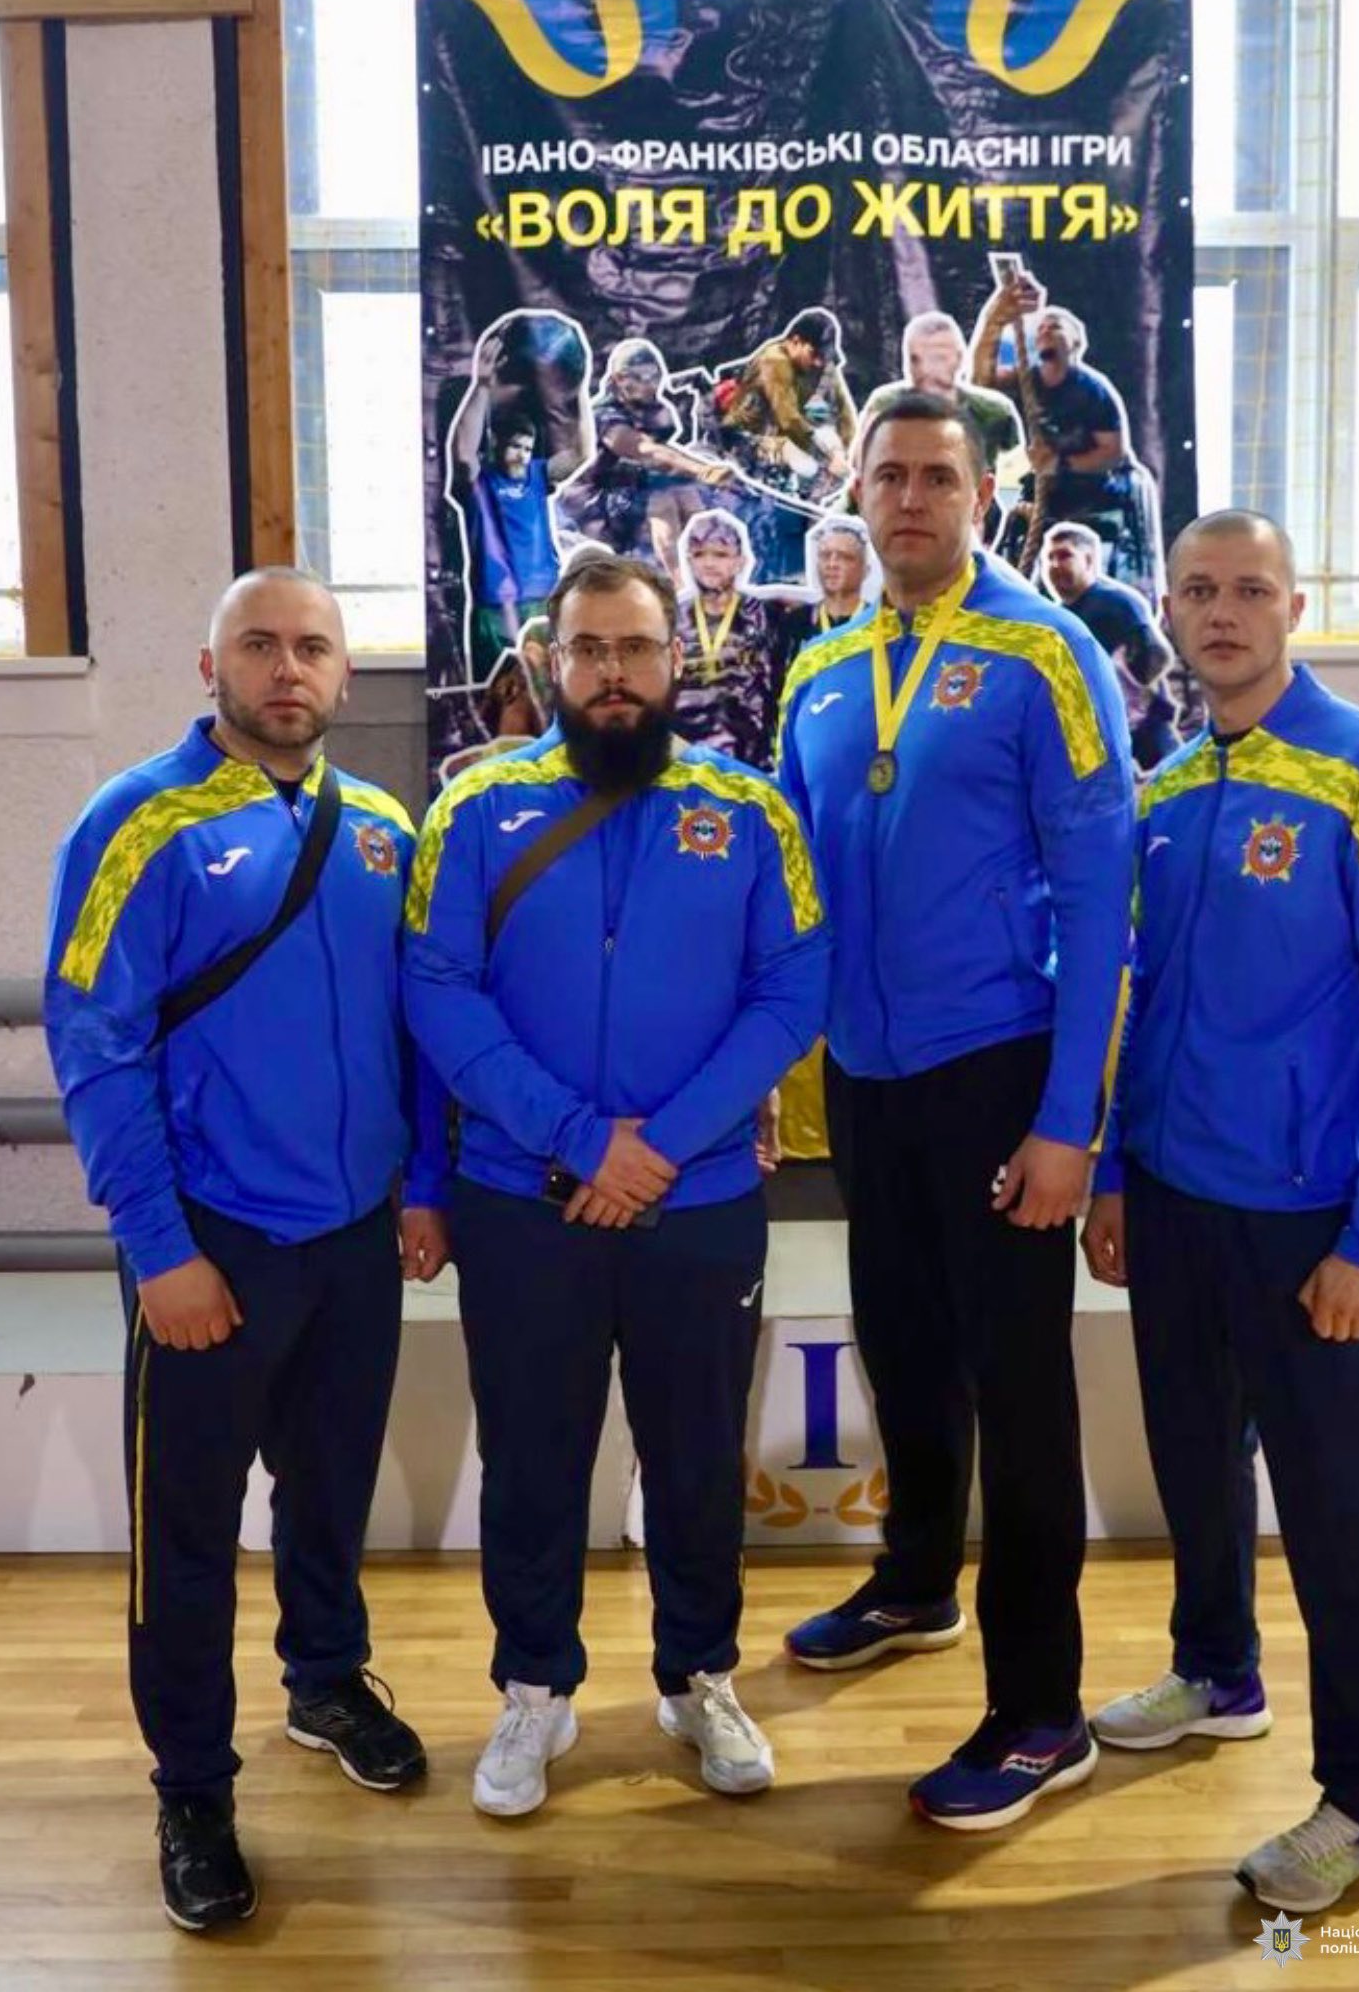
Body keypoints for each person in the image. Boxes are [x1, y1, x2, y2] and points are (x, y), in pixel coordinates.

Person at [44, 568, 448, 1934]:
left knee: (327, 1492)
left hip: (353, 1239)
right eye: (260, 645)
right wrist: (159, 1249)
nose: (288, 668)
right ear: (209, 666)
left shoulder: (383, 828)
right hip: (208, 1244)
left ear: (344, 674)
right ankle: (193, 1787)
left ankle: (325, 1679)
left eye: (312, 647)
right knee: (188, 1533)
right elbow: (95, 1045)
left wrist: (422, 1187)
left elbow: (415, 1028)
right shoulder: (136, 822)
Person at [1082, 510, 1359, 1913]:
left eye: (1251, 588)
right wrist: (1116, 1170)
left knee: (1343, 1518)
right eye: (1199, 589)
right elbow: (1141, 999)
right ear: (1170, 610)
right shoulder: (1171, 786)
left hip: (1314, 1225)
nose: (1223, 611)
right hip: (1174, 1203)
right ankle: (1217, 1671)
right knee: (1196, 1465)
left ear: (1295, 607)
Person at [403, 553, 829, 1820]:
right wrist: (582, 1139)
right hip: (522, 1197)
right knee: (532, 1456)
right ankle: (535, 1684)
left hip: (697, 1204)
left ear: (674, 659)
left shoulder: (750, 810)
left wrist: (661, 1145)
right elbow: (437, 988)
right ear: (550, 660)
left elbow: (792, 990)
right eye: (588, 649)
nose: (613, 673)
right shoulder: (474, 810)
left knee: (696, 1455)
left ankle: (699, 1674)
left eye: (636, 647)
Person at [776, 392, 1135, 1829]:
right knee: (903, 1345)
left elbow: (1103, 897)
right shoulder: (821, 668)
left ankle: (1043, 1710)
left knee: (1018, 1384)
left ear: (983, 494)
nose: (912, 498)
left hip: (998, 1068)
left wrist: (1069, 1121)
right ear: (857, 492)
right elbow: (793, 898)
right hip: (866, 1078)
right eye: (890, 475)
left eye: (939, 476)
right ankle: (919, 1578)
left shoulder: (1047, 654)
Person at [972, 273, 1163, 596]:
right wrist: (995, 319)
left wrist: (1061, 464)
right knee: (1016, 530)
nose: (1046, 329)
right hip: (1050, 488)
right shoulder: (1028, 381)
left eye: (1056, 326)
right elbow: (981, 381)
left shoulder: (1093, 391)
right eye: (1042, 327)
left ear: (1075, 343)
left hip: (1098, 487)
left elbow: (1111, 451)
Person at [556, 339, 730, 579]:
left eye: (654, 375)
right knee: (662, 499)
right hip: (592, 504)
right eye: (641, 376)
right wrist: (700, 469)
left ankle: (703, 570)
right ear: (619, 379)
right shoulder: (604, 415)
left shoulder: (648, 408)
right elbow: (645, 450)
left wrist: (701, 394)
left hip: (629, 488)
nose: (650, 384)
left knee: (688, 495)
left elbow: (665, 446)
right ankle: (679, 583)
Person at [450, 402, 590, 678]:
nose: (522, 456)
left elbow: (582, 455)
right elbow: (464, 456)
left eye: (528, 449)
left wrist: (582, 399)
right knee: (499, 684)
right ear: (495, 443)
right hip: (494, 601)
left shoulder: (537, 474)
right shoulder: (482, 480)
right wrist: (480, 388)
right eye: (516, 447)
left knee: (545, 681)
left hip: (541, 595)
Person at [1043, 522, 1180, 770]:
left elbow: (1156, 656)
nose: (1055, 565)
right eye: (1049, 558)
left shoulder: (1117, 603)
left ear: (1088, 560)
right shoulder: (1055, 618)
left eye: (1064, 556)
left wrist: (1123, 690)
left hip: (1144, 733)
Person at [671, 511, 796, 767]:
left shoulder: (767, 616)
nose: (709, 563)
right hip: (685, 763)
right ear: (689, 561)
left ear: (740, 561)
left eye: (720, 554)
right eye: (699, 554)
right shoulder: (671, 620)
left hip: (751, 763)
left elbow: (784, 690)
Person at [859, 309, 1022, 488]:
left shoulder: (993, 411)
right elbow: (860, 465)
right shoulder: (886, 404)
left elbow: (1018, 471)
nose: (925, 369)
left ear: (960, 359)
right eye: (914, 359)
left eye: (937, 358)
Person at [718, 308, 857, 503]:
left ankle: (814, 489)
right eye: (814, 354)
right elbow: (788, 419)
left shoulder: (822, 367)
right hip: (747, 438)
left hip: (789, 435)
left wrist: (848, 456)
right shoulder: (774, 360)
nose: (818, 363)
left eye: (823, 357)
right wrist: (827, 459)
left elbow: (845, 414)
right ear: (796, 342)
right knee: (808, 466)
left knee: (829, 437)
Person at [777, 516, 875, 667]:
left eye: (844, 557)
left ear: (865, 571)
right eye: (825, 556)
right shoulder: (794, 622)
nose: (832, 564)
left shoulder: (879, 623)